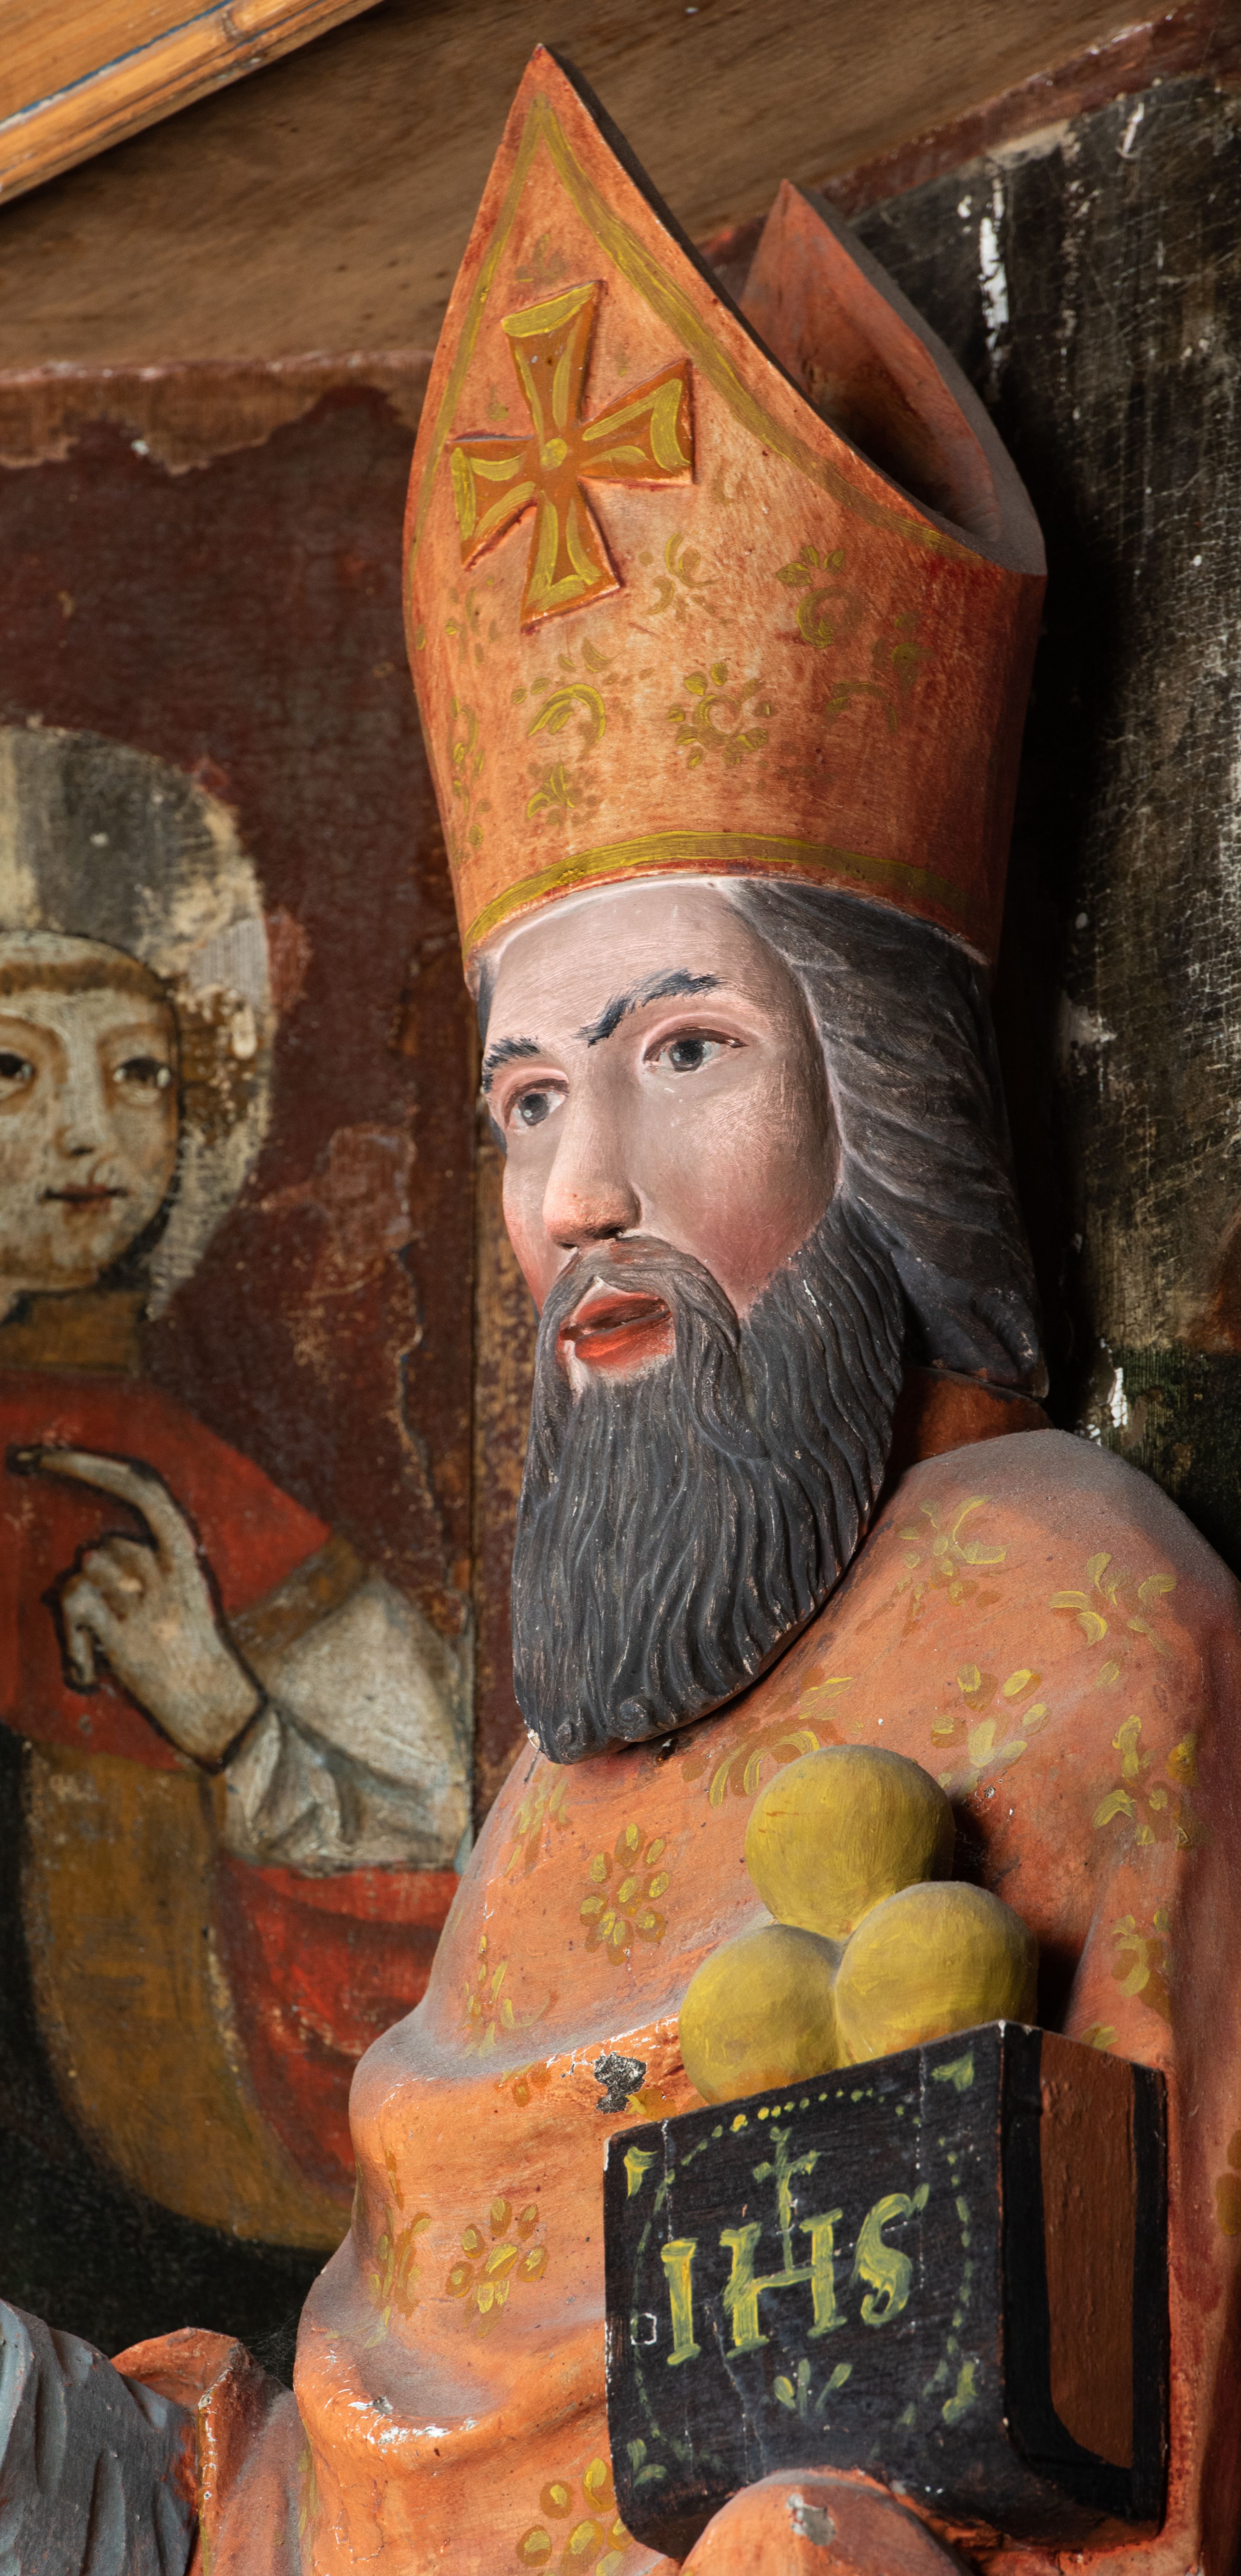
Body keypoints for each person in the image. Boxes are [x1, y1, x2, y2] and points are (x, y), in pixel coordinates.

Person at [5, 48, 1240, 2576]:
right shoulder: (580, 1756)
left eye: (681, 1056)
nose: (579, 1194)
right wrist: (127, 2482)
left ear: (878, 1105)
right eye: (524, 1095)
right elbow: (391, 2429)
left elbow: (1112, 2445)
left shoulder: (1062, 1619)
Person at [0, 731, 468, 2255]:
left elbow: (449, 1834)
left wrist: (221, 1720)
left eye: (138, 1070)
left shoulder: (192, 1485)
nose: (86, 1132)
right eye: (13, 1068)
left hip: (155, 2205)